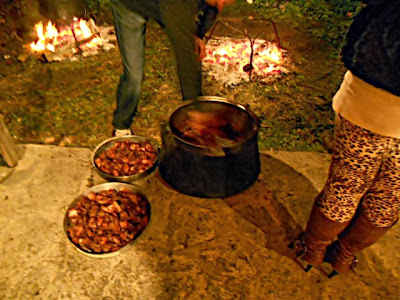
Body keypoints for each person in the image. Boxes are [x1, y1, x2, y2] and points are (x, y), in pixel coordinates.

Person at [290, 0, 400, 277]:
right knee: (389, 198)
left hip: (368, 105)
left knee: (346, 186)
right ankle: (344, 256)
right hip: (372, 103)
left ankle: (312, 250)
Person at [111, 0, 236, 137]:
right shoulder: (178, 4)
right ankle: (121, 125)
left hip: (163, 7)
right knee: (134, 75)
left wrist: (198, 34)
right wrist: (194, 108)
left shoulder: (213, 2)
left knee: (188, 38)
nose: (223, 5)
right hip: (130, 6)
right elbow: (185, 56)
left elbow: (211, 10)